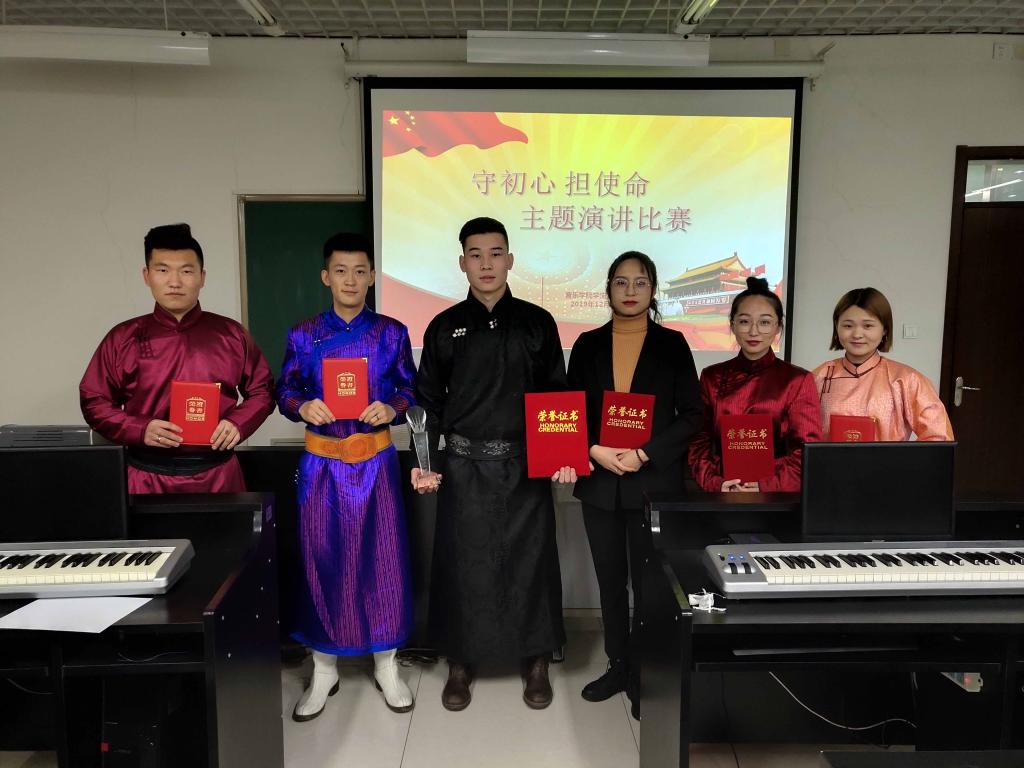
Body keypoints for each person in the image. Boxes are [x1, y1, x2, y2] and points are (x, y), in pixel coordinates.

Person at [412, 217, 568, 712]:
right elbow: (426, 402)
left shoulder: (537, 323)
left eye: (495, 253)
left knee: (532, 563)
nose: (486, 264)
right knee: (464, 566)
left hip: (525, 466)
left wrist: (562, 456)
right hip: (462, 467)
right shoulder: (444, 326)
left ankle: (536, 659)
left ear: (510, 260)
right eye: (475, 255)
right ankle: (460, 662)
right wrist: (424, 462)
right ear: (462, 262)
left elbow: (557, 396)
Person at [276, 232, 416, 721]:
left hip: (376, 464)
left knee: (384, 559)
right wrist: (301, 405)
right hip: (323, 466)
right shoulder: (303, 334)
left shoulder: (392, 333)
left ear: (373, 276)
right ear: (325, 277)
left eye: (360, 271)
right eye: (341, 271)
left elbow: (411, 389)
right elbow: (284, 390)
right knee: (321, 559)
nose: (351, 280)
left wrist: (392, 407)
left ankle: (386, 664)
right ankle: (324, 668)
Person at [567, 251, 702, 720]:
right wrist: (593, 449)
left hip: (652, 482)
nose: (630, 291)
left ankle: (646, 672)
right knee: (609, 582)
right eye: (621, 282)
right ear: (607, 288)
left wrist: (645, 452)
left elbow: (692, 415)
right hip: (600, 484)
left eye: (640, 282)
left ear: (653, 290)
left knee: (649, 587)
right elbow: (569, 411)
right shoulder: (586, 344)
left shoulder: (672, 344)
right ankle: (618, 666)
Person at [80, 223, 274, 493]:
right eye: (162, 270)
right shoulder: (123, 337)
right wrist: (139, 428)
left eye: (186, 271)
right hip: (145, 477)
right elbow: (94, 400)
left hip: (218, 475)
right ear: (147, 275)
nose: (175, 282)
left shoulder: (232, 334)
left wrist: (237, 424)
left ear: (202, 277)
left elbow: (263, 391)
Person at [689, 277, 821, 492]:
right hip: (722, 493)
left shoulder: (797, 380)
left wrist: (765, 485)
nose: (754, 331)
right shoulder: (711, 377)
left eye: (765, 322)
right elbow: (698, 442)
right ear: (732, 324)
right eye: (744, 321)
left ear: (778, 326)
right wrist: (716, 482)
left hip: (777, 496)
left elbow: (807, 451)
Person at [812, 287, 953, 441]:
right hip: (829, 458)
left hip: (891, 459)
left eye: (868, 326)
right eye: (848, 326)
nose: (857, 334)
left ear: (884, 329)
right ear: (836, 327)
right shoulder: (818, 377)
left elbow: (939, 436)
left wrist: (902, 457)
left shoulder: (907, 380)